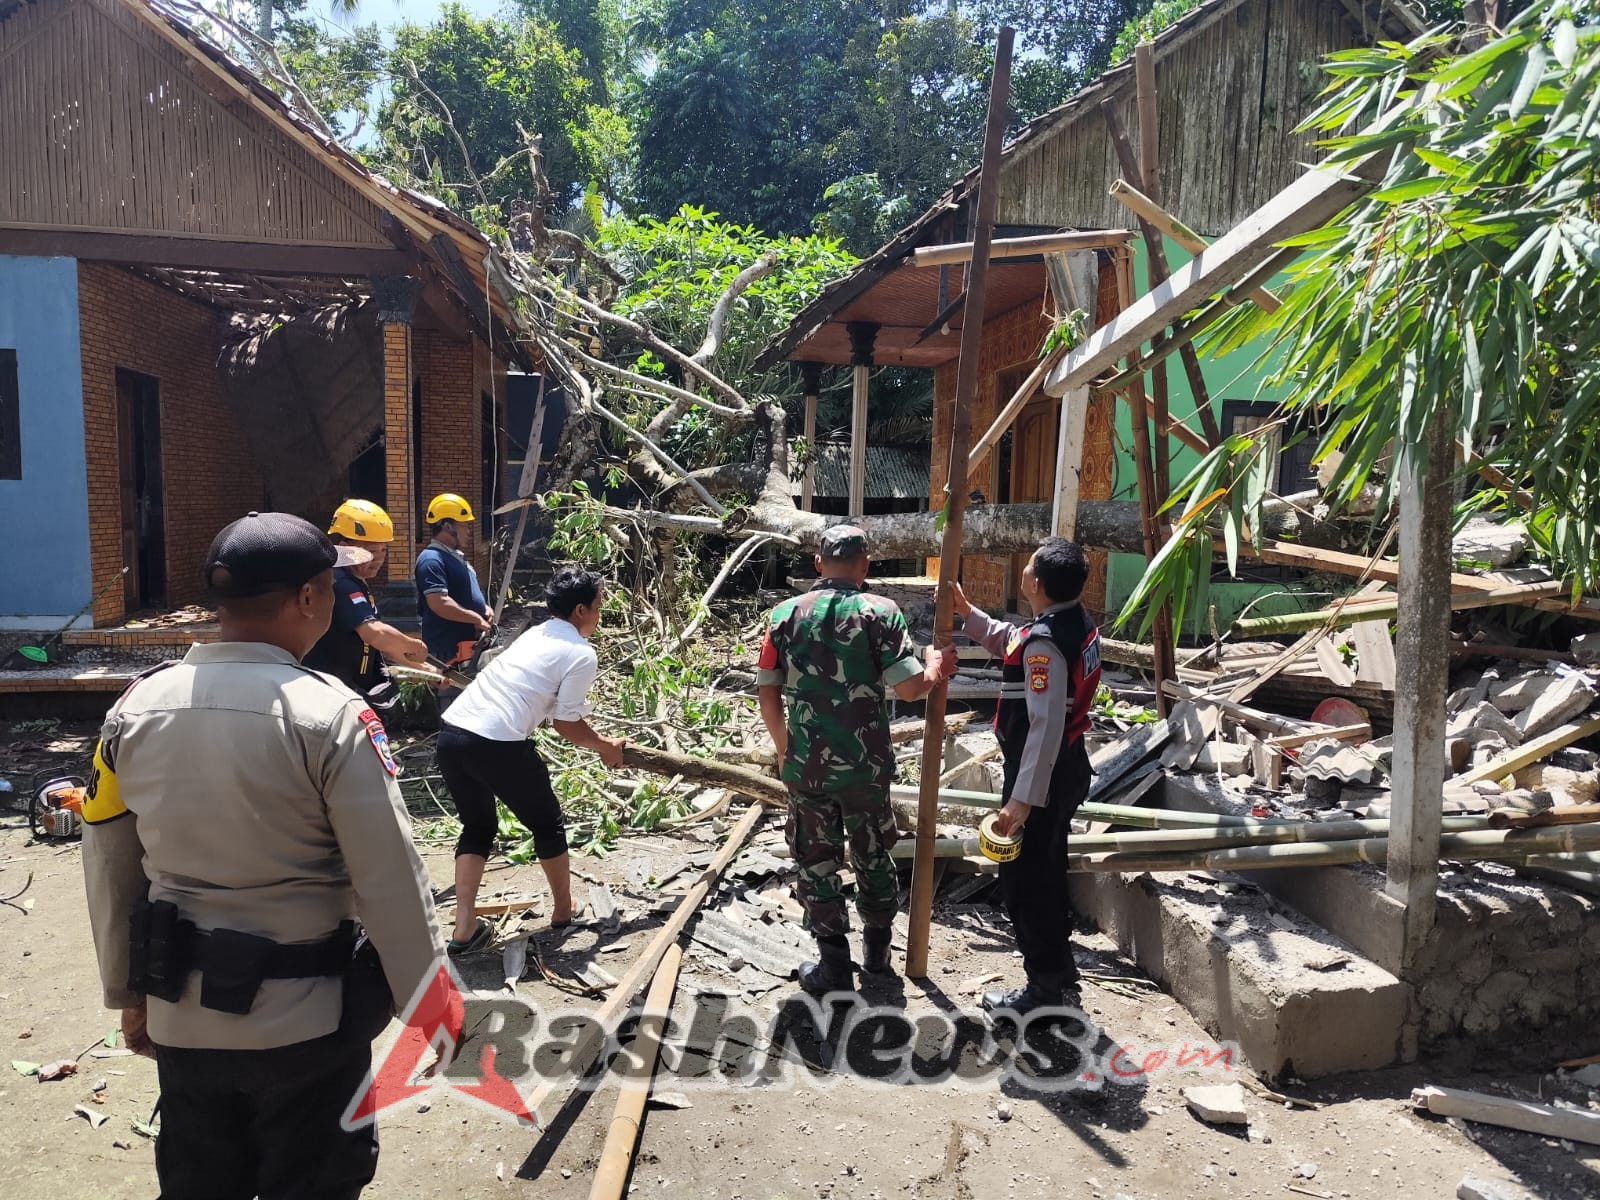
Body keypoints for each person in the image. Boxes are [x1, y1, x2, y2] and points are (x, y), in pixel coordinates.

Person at [80, 512, 448, 1200]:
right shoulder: (331, 717)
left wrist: (128, 993)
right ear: (310, 598)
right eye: (332, 586)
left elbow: (108, 863)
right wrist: (435, 1010)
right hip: (305, 1028)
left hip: (183, 1022)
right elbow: (390, 880)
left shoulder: (136, 707)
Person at [756, 525, 955, 994]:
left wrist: (786, 749)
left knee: (815, 859)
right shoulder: (881, 612)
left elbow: (767, 692)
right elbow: (909, 689)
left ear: (819, 564)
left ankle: (833, 967)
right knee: (872, 855)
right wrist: (934, 666)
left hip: (806, 765)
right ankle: (878, 958)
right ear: (866, 566)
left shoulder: (784, 615)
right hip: (865, 767)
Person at [433, 566, 625, 954]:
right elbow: (566, 723)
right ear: (582, 610)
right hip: (497, 742)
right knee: (547, 823)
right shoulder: (579, 653)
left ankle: (465, 927)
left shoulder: (537, 634)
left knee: (478, 826)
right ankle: (563, 910)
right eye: (599, 605)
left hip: (453, 733)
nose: (600, 612)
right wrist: (605, 745)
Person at [950, 536, 1101, 1016]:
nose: (1026, 567)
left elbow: (1045, 726)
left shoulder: (1046, 644)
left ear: (1035, 581)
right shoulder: (1070, 623)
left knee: (1026, 883)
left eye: (1030, 563)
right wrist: (967, 613)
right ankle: (1058, 976)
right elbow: (1009, 639)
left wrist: (1022, 800)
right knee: (1048, 871)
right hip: (1068, 766)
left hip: (1044, 775)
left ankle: (1044, 993)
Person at [303, 498, 428, 701]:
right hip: (332, 692)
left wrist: (426, 669)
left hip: (349, 689)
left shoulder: (355, 580)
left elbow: (383, 645)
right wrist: (413, 646)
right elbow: (375, 634)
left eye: (383, 550)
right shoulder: (340, 582)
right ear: (344, 547)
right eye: (370, 550)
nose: (378, 558)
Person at [414, 492, 493, 666]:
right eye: (464, 525)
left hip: (465, 649)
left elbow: (464, 592)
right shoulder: (431, 559)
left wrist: (484, 608)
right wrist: (475, 618)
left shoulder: (454, 556)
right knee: (452, 693)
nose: (468, 531)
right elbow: (439, 603)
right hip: (447, 652)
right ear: (448, 527)